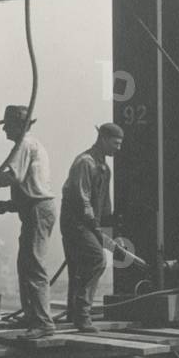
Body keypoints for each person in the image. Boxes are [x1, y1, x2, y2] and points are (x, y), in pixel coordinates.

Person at [0, 105, 56, 339]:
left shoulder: (24, 144)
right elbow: (26, 185)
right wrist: (2, 206)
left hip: (37, 209)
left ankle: (42, 323)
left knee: (33, 265)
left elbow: (11, 177)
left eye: (8, 125)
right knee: (26, 263)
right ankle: (31, 315)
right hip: (34, 208)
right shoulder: (30, 145)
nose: (5, 130)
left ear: (19, 125)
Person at [60, 123, 123, 333]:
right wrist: (96, 230)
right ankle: (82, 315)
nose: (118, 148)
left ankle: (74, 313)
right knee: (97, 260)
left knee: (77, 268)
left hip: (87, 223)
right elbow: (82, 199)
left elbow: (105, 206)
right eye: (115, 143)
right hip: (76, 222)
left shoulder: (105, 168)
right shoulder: (85, 163)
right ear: (103, 139)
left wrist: (111, 232)